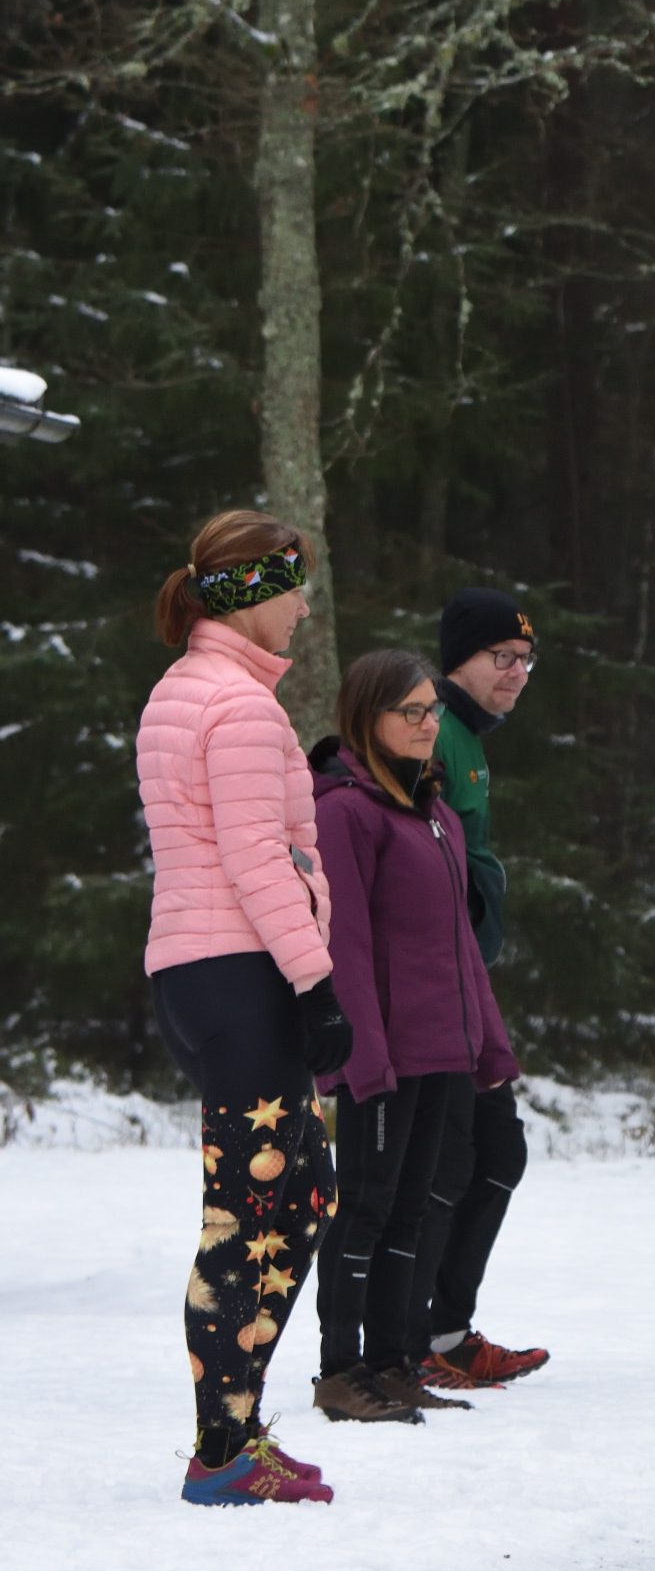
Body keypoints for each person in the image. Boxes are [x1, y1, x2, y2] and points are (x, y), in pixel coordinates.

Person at [141, 512, 349, 1504]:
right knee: (246, 1216)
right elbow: (258, 856)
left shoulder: (188, 688)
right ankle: (222, 1451)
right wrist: (317, 980)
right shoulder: (238, 706)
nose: (305, 606)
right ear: (254, 592)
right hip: (242, 974)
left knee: (302, 1194)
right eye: (295, 586)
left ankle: (236, 1429)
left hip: (206, 974)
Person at [309, 650, 520, 1426]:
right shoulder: (345, 813)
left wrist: (488, 1043)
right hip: (383, 1055)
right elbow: (345, 946)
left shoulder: (436, 816)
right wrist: (362, 1053)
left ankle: (393, 1361)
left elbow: (461, 947)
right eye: (412, 711)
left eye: (433, 710)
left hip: (441, 1050)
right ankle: (341, 1370)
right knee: (364, 1207)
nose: (430, 724)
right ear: (368, 719)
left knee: (411, 1209)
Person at [412, 588, 550, 1391]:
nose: (517, 673)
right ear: (458, 658)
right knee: (454, 1159)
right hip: (435, 990)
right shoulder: (432, 730)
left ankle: (446, 1331)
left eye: (527, 660)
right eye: (503, 657)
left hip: (468, 983)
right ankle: (409, 1337)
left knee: (496, 1152)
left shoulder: (468, 740)